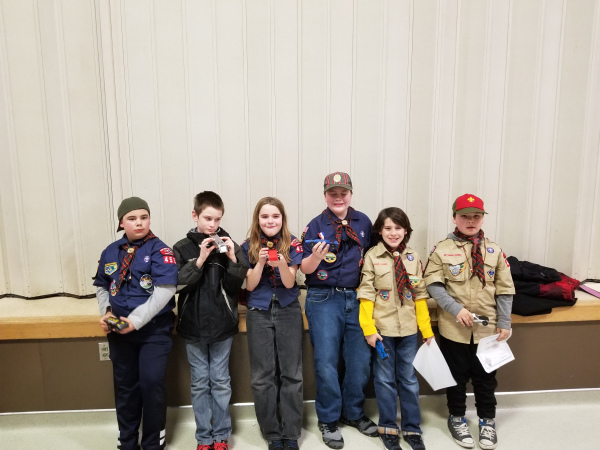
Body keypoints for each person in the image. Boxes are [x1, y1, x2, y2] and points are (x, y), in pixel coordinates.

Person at [423, 194, 515, 450]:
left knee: (486, 378)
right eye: (465, 216)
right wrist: (456, 309)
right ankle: (457, 418)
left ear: (482, 218)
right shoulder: (442, 249)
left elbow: (505, 289)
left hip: (488, 329)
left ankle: (487, 420)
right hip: (454, 328)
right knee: (456, 377)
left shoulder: (494, 251)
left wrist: (504, 321)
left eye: (476, 216)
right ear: (455, 218)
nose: (471, 221)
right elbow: (434, 285)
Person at [300, 172, 377, 449]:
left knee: (360, 360)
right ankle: (329, 418)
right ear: (325, 195)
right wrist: (315, 257)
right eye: (333, 193)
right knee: (326, 361)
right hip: (323, 297)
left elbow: (373, 258)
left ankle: (353, 412)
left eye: (343, 192)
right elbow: (303, 268)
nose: (338, 197)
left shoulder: (364, 222)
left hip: (357, 297)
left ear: (351, 194)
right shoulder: (315, 225)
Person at [93, 196, 178, 450]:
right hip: (119, 331)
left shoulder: (160, 250)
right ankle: (127, 441)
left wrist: (135, 321)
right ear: (122, 222)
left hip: (154, 331)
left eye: (144, 217)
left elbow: (165, 290)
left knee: (151, 383)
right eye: (132, 218)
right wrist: (107, 311)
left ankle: (153, 443)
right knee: (125, 386)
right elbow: (102, 285)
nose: (139, 223)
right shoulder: (110, 251)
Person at [173, 191, 248, 450]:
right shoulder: (181, 247)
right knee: (199, 383)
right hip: (192, 325)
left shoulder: (230, 245)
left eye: (217, 219)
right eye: (207, 218)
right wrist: (201, 259)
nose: (212, 225)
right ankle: (204, 437)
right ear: (195, 215)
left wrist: (233, 259)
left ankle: (221, 436)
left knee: (220, 381)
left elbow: (236, 285)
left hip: (222, 324)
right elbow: (177, 284)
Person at [357, 207, 434, 450]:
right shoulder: (372, 256)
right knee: (384, 380)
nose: (393, 233)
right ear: (379, 231)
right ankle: (388, 427)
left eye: (398, 228)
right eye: (388, 228)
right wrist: (369, 329)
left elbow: (419, 295)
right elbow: (366, 295)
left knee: (409, 379)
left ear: (406, 230)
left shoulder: (412, 257)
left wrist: (426, 330)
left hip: (409, 331)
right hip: (382, 332)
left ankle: (412, 428)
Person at [241, 197, 304, 450]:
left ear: (282, 219)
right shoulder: (247, 246)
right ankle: (272, 432)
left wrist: (281, 264)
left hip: (288, 309)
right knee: (262, 376)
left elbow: (289, 283)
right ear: (257, 220)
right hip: (259, 311)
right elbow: (250, 285)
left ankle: (291, 432)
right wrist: (260, 262)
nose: (270, 221)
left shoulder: (293, 243)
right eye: (265, 216)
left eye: (275, 216)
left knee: (291, 373)